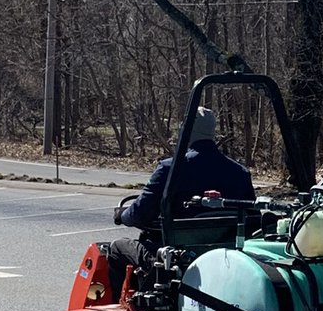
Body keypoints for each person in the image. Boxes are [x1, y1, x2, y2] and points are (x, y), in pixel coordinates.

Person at [107, 107, 255, 299]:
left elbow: (140, 213)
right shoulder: (239, 173)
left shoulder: (170, 168)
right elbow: (252, 215)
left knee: (117, 247)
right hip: (223, 254)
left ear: (187, 131)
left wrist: (122, 215)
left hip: (175, 257)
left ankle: (125, 308)